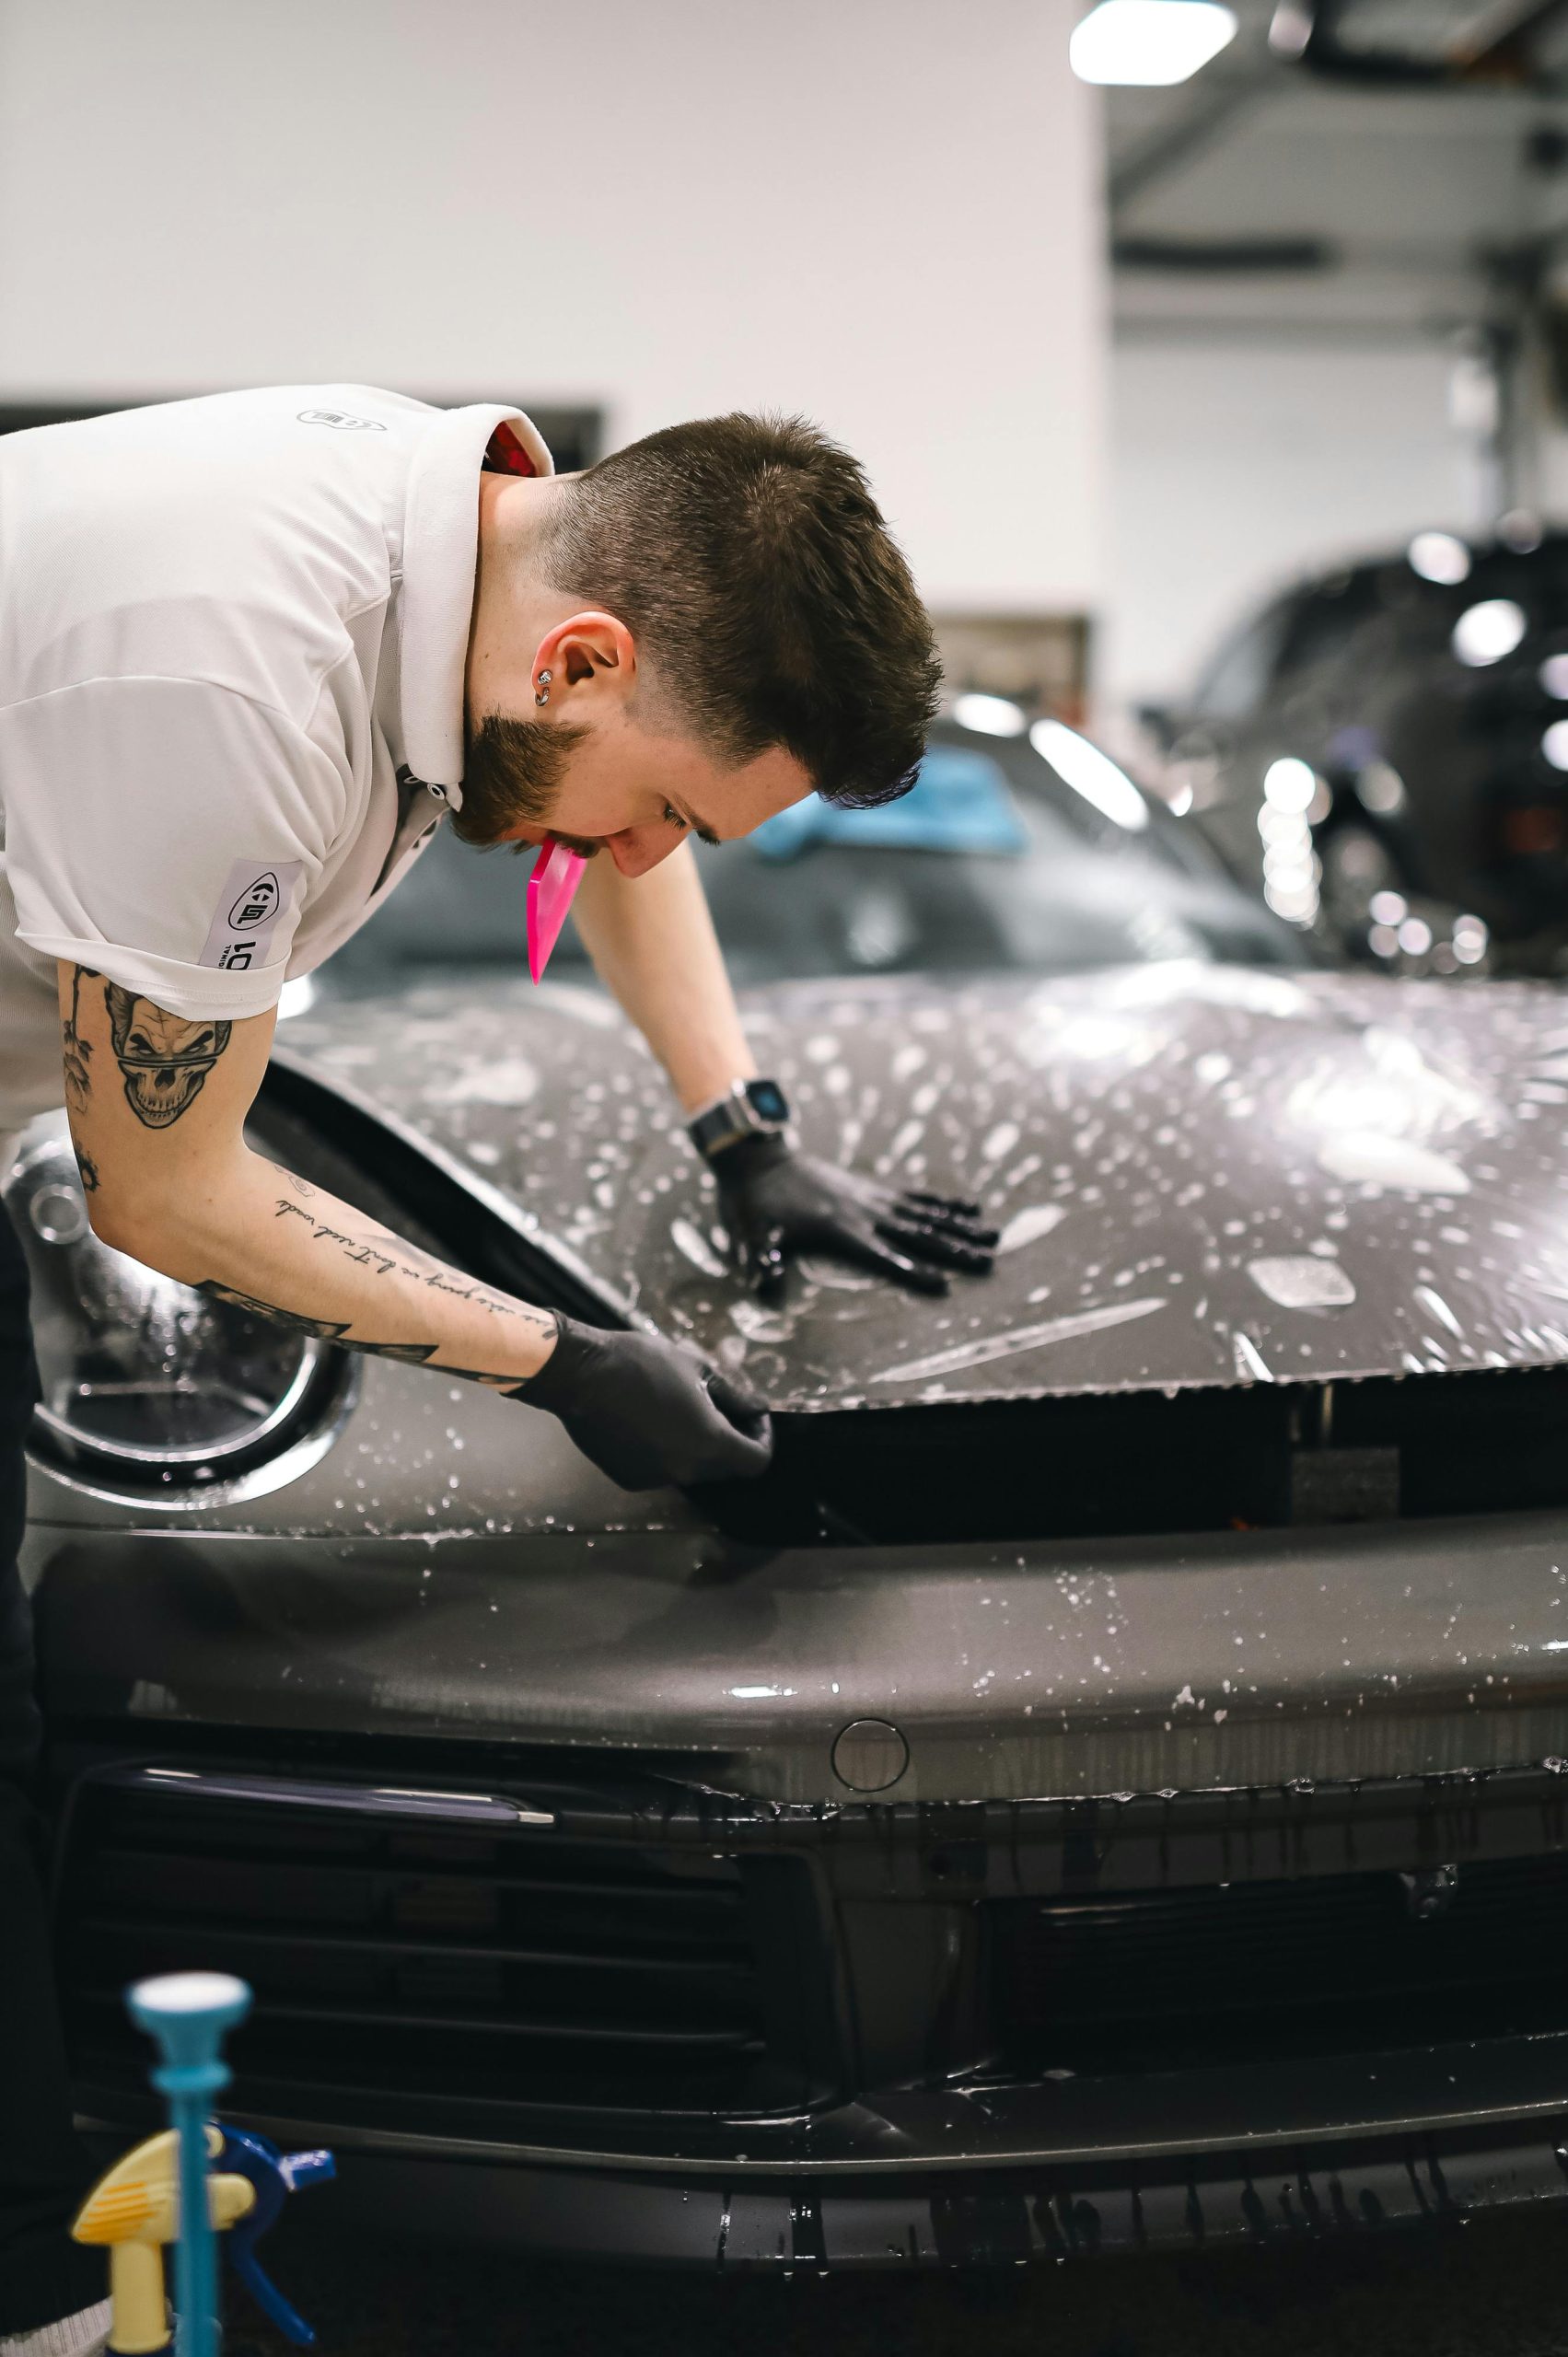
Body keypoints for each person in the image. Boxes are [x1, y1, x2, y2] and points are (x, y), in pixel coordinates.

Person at [0, 389, 997, 2351]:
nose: (636, 848)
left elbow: (615, 823)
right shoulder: (239, 687)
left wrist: (742, 1129)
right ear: (581, 655)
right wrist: (563, 1362)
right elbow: (168, 1192)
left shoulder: (490, 539)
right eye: (669, 800)